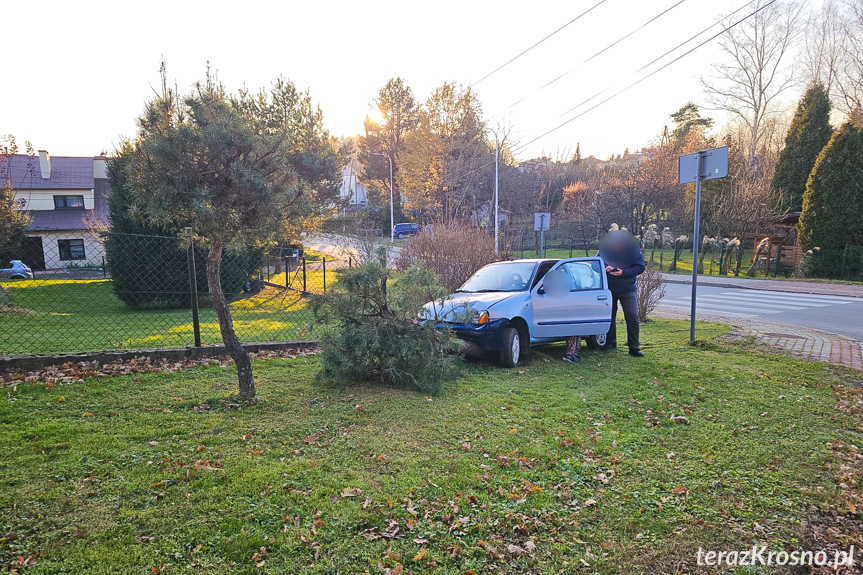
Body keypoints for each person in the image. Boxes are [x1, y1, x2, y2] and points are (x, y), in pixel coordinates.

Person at [598, 230, 646, 357]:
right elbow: (596, 263)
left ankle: (634, 346)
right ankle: (610, 342)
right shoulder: (604, 249)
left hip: (627, 288)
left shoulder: (633, 250)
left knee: (632, 315)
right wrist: (606, 267)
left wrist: (623, 272)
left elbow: (640, 267)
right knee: (610, 316)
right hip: (609, 288)